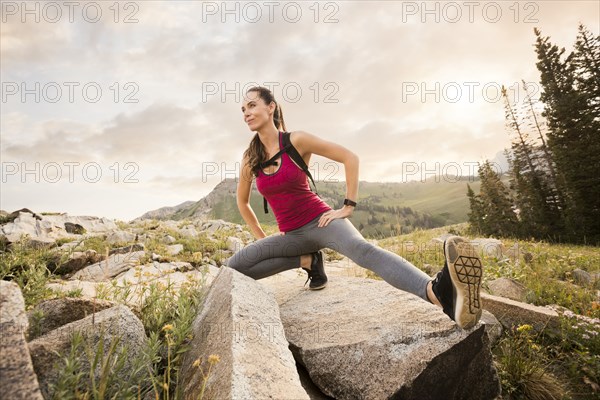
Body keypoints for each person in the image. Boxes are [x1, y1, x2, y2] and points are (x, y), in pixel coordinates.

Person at [227, 86, 483, 329]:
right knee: (234, 268)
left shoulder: (296, 140)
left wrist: (347, 206)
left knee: (363, 250)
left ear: (270, 107)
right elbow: (243, 201)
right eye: (242, 109)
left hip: (321, 221)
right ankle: (308, 261)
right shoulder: (251, 158)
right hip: (291, 235)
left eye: (252, 105)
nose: (246, 113)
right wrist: (264, 242)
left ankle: (438, 293)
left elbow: (349, 157)